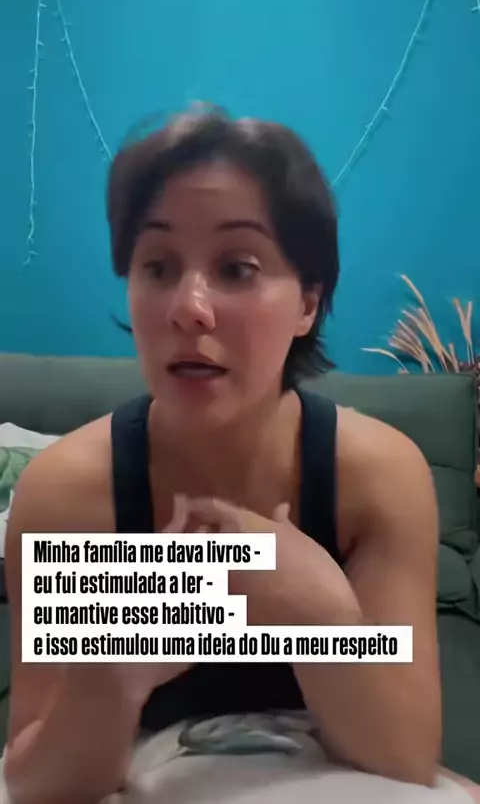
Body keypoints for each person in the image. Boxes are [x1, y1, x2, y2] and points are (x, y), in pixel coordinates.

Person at [1, 106, 479, 804]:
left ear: (308, 302)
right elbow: (33, 781)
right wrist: (114, 669)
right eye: (158, 265)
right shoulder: (68, 494)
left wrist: (318, 616)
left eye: (238, 267)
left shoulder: (375, 478)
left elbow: (402, 756)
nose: (189, 308)